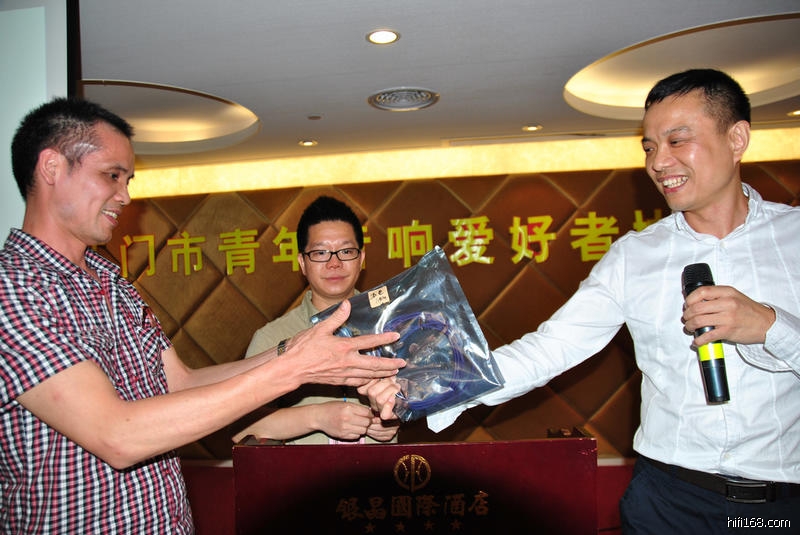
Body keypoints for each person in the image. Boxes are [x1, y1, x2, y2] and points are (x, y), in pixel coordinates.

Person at [361, 69, 800, 533]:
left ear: (737, 138)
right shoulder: (635, 255)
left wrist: (771, 326)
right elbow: (550, 348)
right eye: (649, 147)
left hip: (780, 504)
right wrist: (427, 385)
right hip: (667, 501)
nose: (658, 162)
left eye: (677, 141)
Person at [0, 97, 404, 534]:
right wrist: (294, 369)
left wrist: (293, 351)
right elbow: (116, 436)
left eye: (128, 180)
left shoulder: (113, 283)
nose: (125, 195)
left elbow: (183, 382)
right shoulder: (14, 288)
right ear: (52, 167)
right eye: (111, 176)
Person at [232, 195, 398, 444]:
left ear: (361, 259)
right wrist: (317, 417)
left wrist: (394, 418)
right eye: (320, 253)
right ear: (302, 263)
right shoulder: (272, 338)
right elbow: (239, 428)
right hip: (304, 470)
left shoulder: (392, 323)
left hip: (383, 468)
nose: (334, 263)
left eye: (346, 251)